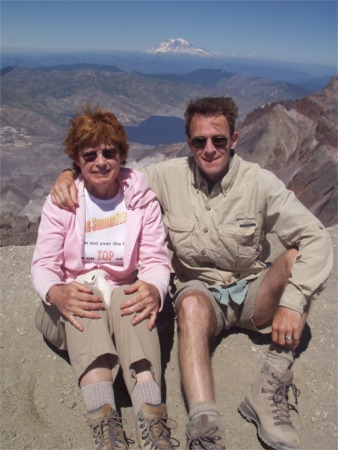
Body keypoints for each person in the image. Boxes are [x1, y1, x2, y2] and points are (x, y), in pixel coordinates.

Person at [50, 97, 333, 450]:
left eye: (218, 140)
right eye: (200, 141)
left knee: (295, 260)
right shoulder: (166, 178)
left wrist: (292, 301)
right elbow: (110, 174)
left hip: (254, 293)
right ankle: (205, 425)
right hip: (200, 296)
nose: (209, 149)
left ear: (234, 139)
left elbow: (316, 238)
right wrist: (69, 173)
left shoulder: (260, 183)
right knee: (191, 306)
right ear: (189, 143)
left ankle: (268, 386)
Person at [31, 105, 177, 450]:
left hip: (121, 306)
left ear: (122, 156)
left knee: (134, 297)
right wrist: (56, 291)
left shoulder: (140, 199)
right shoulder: (64, 201)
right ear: (77, 160)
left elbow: (156, 258)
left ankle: (151, 419)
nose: (100, 161)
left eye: (109, 152)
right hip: (69, 308)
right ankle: (105, 422)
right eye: (90, 154)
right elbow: (43, 265)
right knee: (85, 299)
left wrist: (154, 289)